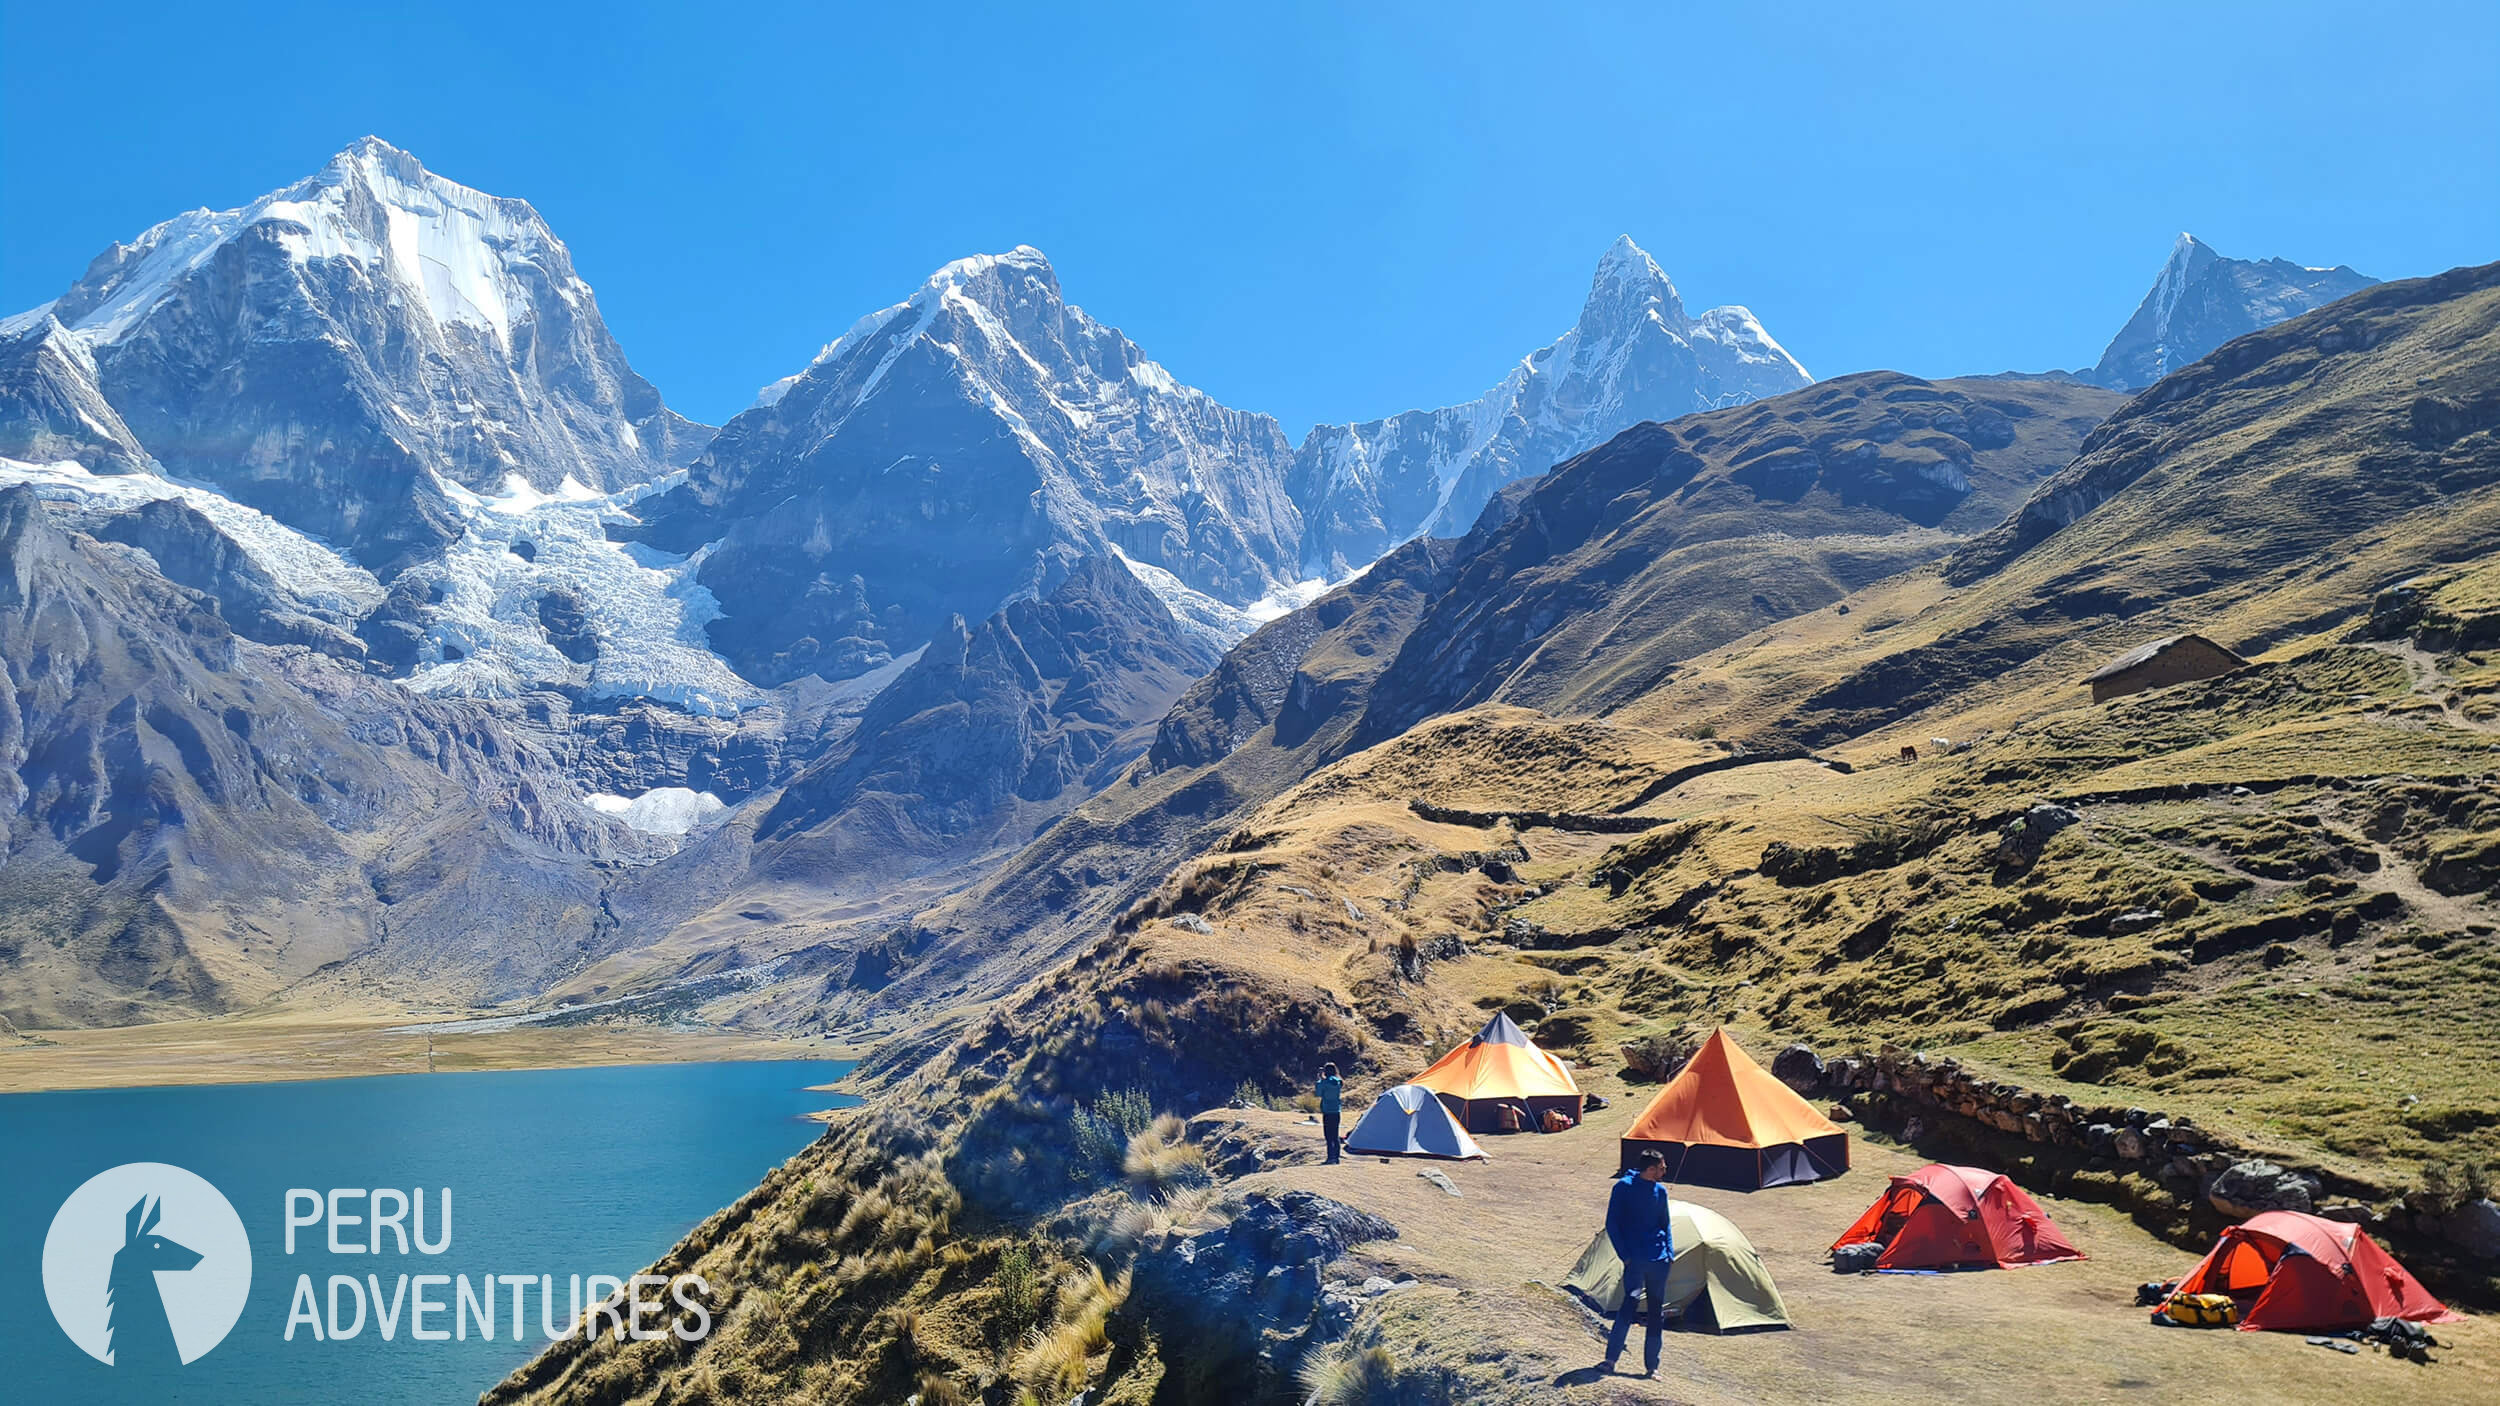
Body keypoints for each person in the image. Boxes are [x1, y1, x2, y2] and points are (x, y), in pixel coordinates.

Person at [1602, 1149, 1676, 1377]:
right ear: (1651, 1169)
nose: (1665, 1170)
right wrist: (1625, 1255)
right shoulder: (1623, 1188)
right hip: (1635, 1259)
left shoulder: (1660, 1191)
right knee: (1629, 1304)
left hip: (1659, 1260)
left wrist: (1670, 1253)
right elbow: (1612, 1223)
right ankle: (1610, 1360)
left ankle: (1651, 1367)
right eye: (1662, 1167)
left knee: (1656, 1311)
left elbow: (1666, 1223)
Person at [1316, 1063, 1344, 1164]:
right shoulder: (1339, 1082)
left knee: (1328, 1135)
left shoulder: (1323, 1082)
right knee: (1335, 1135)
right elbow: (1338, 1081)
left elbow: (1318, 1093)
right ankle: (1336, 1157)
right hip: (1336, 1110)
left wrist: (1320, 1077)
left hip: (1327, 1111)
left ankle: (1330, 1157)